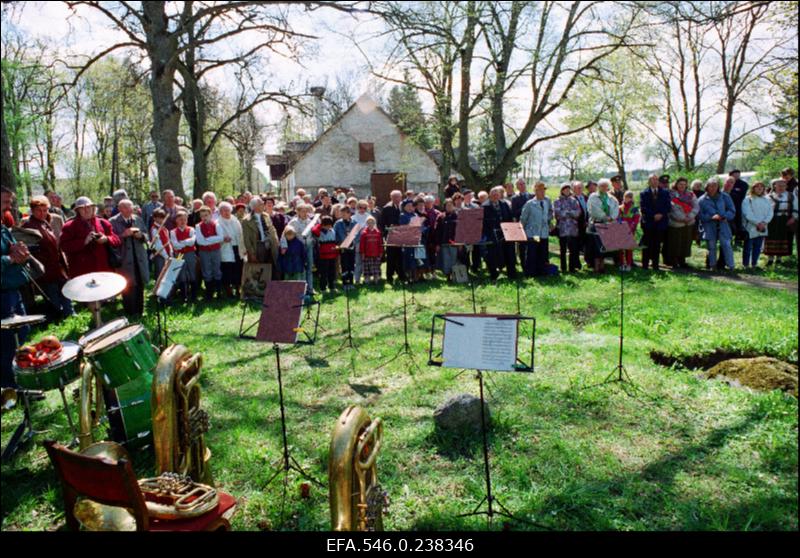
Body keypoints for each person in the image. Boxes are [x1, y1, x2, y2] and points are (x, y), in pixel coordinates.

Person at [21, 196, 73, 320]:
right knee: (52, 294)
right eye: (39, 210)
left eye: (45, 210)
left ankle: (69, 314)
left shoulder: (45, 223)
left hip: (57, 265)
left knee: (65, 290)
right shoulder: (29, 226)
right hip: (45, 267)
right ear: (32, 210)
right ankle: (57, 318)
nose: (43, 213)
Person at [1, 187, 33, 388]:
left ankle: (23, 380)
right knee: (7, 342)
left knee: (22, 333)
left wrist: (19, 250)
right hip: (2, 295)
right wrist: (10, 258)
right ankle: (10, 389)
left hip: (13, 290)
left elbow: (12, 249)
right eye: (5, 202)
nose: (9, 206)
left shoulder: (3, 225)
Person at [59, 196, 121, 278]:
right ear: (78, 211)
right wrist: (84, 242)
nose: (86, 210)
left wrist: (106, 239)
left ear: (93, 208)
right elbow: (64, 246)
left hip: (103, 270)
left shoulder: (104, 223)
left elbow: (117, 240)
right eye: (82, 208)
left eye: (88, 207)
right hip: (81, 273)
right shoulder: (69, 226)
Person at [110, 199, 149, 316]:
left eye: (130, 207)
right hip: (124, 260)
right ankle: (130, 312)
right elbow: (111, 240)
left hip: (139, 258)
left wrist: (141, 235)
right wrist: (123, 235)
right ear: (120, 209)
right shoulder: (113, 222)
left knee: (140, 283)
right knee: (128, 286)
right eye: (126, 208)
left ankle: (140, 311)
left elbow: (146, 235)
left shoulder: (137, 219)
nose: (129, 210)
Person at [698, 178, 736, 271]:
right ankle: (712, 266)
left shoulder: (725, 196)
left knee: (726, 245)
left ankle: (731, 266)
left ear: (718, 187)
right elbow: (700, 215)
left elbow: (732, 210)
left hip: (723, 224)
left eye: (715, 186)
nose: (713, 188)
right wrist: (711, 217)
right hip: (709, 225)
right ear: (707, 187)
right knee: (711, 246)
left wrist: (725, 216)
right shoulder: (701, 200)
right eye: (711, 186)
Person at [482, 186, 517, 280]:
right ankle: (493, 275)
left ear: (499, 195)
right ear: (489, 195)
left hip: (505, 233)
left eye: (497, 194)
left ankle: (511, 274)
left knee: (509, 253)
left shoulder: (504, 204)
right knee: (492, 255)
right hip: (492, 234)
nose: (495, 196)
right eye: (493, 194)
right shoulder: (485, 206)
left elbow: (510, 217)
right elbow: (482, 222)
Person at [520, 182, 554, 277]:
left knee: (543, 252)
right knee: (533, 252)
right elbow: (523, 218)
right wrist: (521, 232)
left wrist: (549, 220)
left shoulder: (547, 201)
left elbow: (550, 213)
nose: (543, 192)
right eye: (540, 190)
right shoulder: (530, 204)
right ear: (535, 191)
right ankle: (530, 273)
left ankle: (542, 271)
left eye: (544, 190)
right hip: (534, 233)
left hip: (544, 232)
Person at [587, 178, 620, 273]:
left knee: (604, 247)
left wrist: (612, 217)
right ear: (598, 187)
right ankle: (596, 268)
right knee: (596, 248)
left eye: (606, 186)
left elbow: (615, 209)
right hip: (596, 224)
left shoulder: (612, 198)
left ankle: (602, 267)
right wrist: (605, 217)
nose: (604, 188)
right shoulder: (593, 196)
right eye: (602, 186)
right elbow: (593, 210)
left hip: (608, 225)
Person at [639, 174, 671, 270]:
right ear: (649, 181)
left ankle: (655, 265)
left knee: (657, 244)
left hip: (661, 222)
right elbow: (643, 208)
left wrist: (661, 214)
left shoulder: (665, 192)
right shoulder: (644, 193)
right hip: (648, 222)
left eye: (656, 179)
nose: (655, 181)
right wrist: (653, 215)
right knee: (647, 244)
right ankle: (645, 264)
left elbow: (668, 206)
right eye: (652, 179)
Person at [667, 177, 699, 268]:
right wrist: (681, 218)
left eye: (684, 184)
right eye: (680, 184)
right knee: (675, 243)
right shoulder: (671, 195)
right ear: (676, 184)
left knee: (686, 242)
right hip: (676, 223)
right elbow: (672, 208)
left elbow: (696, 206)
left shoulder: (691, 194)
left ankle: (682, 261)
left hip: (689, 222)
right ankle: (674, 261)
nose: (682, 186)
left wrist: (690, 217)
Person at [283, 203, 315, 294]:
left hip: (309, 246)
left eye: (306, 211)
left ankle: (310, 288)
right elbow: (285, 234)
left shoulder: (310, 222)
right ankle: (302, 289)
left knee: (309, 267)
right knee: (301, 269)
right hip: (298, 248)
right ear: (298, 212)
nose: (305, 213)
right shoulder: (293, 222)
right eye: (303, 211)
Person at [741, 181, 773, 269]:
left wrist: (764, 223)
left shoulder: (766, 200)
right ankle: (746, 265)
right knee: (748, 247)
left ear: (763, 189)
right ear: (753, 188)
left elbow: (770, 212)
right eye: (757, 187)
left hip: (762, 227)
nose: (759, 188)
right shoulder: (748, 199)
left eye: (761, 187)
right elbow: (747, 213)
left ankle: (754, 264)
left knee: (758, 247)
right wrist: (757, 223)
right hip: (751, 227)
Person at [195, 206, 224, 300]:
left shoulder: (216, 224)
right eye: (202, 216)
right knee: (207, 270)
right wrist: (213, 239)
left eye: (206, 215)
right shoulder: (198, 226)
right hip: (204, 252)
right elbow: (200, 241)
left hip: (216, 250)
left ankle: (219, 292)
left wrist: (207, 239)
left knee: (217, 269)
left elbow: (220, 237)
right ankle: (209, 293)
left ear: (211, 215)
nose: (204, 218)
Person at [765, 178, 795, 265]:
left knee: (783, 237)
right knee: (771, 237)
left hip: (785, 219)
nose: (781, 187)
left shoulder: (791, 195)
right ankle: (770, 259)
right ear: (774, 186)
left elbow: (796, 207)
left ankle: (779, 258)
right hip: (772, 219)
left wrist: (793, 218)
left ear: (786, 186)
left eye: (783, 185)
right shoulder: (768, 197)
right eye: (779, 185)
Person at [217, 202, 244, 299]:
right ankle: (228, 291)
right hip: (226, 248)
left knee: (238, 269)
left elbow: (240, 234)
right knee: (227, 270)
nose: (226, 212)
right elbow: (217, 237)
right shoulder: (218, 222)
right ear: (220, 212)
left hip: (237, 247)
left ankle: (238, 289)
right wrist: (222, 239)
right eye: (223, 210)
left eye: (228, 210)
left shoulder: (235, 220)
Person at [170, 210, 198, 302]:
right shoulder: (173, 232)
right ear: (176, 221)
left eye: (185, 219)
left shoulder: (191, 229)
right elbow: (175, 245)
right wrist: (186, 242)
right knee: (181, 274)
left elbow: (192, 242)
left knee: (192, 272)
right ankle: (184, 296)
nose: (183, 222)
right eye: (180, 219)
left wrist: (181, 242)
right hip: (179, 254)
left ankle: (194, 295)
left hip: (190, 253)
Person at [553, 184, 581, 273]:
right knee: (563, 250)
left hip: (573, 229)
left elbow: (578, 212)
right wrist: (570, 213)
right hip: (562, 229)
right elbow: (557, 213)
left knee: (573, 250)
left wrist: (567, 213)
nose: (567, 191)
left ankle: (572, 268)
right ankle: (563, 267)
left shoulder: (574, 200)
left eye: (568, 189)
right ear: (562, 190)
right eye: (565, 189)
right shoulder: (557, 201)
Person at [379, 190, 404, 283]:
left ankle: (401, 276)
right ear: (391, 198)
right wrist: (386, 234)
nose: (397, 199)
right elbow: (382, 223)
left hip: (402, 236)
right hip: (391, 236)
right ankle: (389, 277)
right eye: (395, 197)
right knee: (391, 258)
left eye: (399, 197)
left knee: (400, 257)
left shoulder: (403, 207)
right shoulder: (387, 208)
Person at [312, 215, 338, 292]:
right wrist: (320, 224)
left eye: (330, 225)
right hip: (323, 256)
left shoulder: (332, 231)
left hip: (332, 254)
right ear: (323, 225)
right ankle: (323, 288)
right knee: (323, 273)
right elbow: (314, 230)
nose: (329, 227)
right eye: (327, 225)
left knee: (332, 272)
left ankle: (332, 286)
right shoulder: (319, 232)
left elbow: (334, 241)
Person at [435, 198, 459, 278]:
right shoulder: (441, 217)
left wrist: (461, 243)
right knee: (446, 260)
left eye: (451, 205)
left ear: (453, 206)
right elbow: (437, 232)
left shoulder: (457, 216)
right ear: (444, 206)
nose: (449, 207)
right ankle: (448, 275)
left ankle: (455, 275)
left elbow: (461, 230)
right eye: (447, 205)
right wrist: (438, 243)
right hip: (444, 242)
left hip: (455, 242)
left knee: (454, 259)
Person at [334, 206, 357, 288]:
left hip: (352, 246)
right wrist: (339, 244)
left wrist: (353, 241)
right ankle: (345, 283)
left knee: (351, 264)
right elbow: (335, 235)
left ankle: (351, 282)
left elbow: (357, 234)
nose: (343, 215)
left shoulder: (354, 223)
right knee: (344, 264)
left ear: (349, 214)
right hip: (343, 247)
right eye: (341, 213)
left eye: (345, 213)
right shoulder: (338, 223)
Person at [511, 179, 532, 267]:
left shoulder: (532, 196)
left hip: (532, 225)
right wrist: (525, 208)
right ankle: (524, 265)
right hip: (521, 224)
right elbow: (514, 212)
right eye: (520, 184)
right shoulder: (515, 198)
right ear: (517, 187)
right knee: (522, 246)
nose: (522, 186)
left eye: (523, 184)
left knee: (532, 245)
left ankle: (531, 263)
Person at [618, 191, 640, 272]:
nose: (627, 199)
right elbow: (618, 218)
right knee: (621, 248)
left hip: (630, 231)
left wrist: (631, 227)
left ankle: (629, 264)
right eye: (626, 197)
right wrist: (619, 225)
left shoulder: (634, 208)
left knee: (629, 248)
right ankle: (621, 264)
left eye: (629, 197)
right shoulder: (620, 207)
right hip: (621, 230)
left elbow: (636, 219)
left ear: (631, 198)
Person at [359, 216, 383, 283]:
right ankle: (367, 279)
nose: (370, 224)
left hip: (376, 254)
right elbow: (362, 244)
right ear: (366, 223)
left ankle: (376, 279)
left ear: (374, 223)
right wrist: (362, 253)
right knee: (367, 268)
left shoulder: (378, 232)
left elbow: (380, 243)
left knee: (376, 267)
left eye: (372, 222)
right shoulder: (364, 233)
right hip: (367, 254)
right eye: (369, 222)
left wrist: (381, 252)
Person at [149, 208, 172, 279]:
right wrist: (166, 256)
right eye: (158, 218)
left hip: (167, 254)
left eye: (162, 218)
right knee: (160, 274)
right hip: (159, 254)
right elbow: (158, 245)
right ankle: (158, 289)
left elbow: (168, 242)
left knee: (166, 274)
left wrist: (170, 252)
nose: (161, 220)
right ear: (154, 218)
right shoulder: (154, 229)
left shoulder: (165, 229)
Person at [728, 169, 749, 245]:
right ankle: (729, 239)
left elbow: (740, 196)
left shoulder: (743, 184)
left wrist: (732, 193)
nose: (737, 176)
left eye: (738, 174)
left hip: (738, 206)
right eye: (735, 174)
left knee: (738, 222)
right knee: (729, 223)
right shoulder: (727, 183)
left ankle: (738, 240)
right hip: (728, 207)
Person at [352, 200, 370, 284]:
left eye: (364, 208)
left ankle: (367, 278)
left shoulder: (369, 216)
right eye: (360, 207)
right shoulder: (353, 217)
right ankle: (357, 279)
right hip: (358, 241)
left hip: (368, 242)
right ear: (357, 207)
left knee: (367, 260)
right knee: (358, 260)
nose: (362, 209)